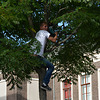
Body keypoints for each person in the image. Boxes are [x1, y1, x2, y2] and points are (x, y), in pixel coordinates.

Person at [33, 22, 57, 91]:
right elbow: (54, 40)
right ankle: (44, 84)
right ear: (41, 27)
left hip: (33, 56)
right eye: (45, 26)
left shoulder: (38, 33)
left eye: (47, 26)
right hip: (38, 56)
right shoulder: (44, 32)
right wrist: (56, 34)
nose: (46, 28)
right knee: (51, 67)